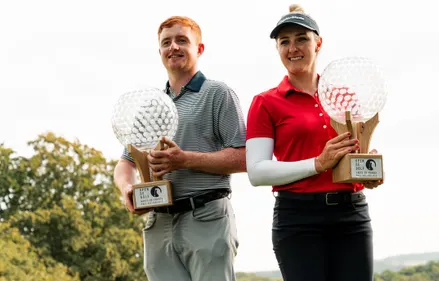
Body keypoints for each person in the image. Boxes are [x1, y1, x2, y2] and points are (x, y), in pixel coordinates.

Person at [245, 4, 383, 281]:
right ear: (277, 49)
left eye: (301, 39)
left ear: (318, 43)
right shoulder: (265, 102)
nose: (292, 48)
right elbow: (257, 172)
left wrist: (366, 170)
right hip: (298, 219)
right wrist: (319, 163)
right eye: (284, 41)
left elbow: (354, 153)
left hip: (352, 213)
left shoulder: (344, 97)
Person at [113, 15, 247, 281]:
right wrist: (127, 189)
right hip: (158, 223)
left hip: (206, 218)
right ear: (160, 51)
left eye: (182, 40)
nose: (173, 47)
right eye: (166, 42)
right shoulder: (151, 105)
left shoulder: (218, 93)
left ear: (199, 48)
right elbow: (126, 162)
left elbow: (243, 157)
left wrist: (184, 160)